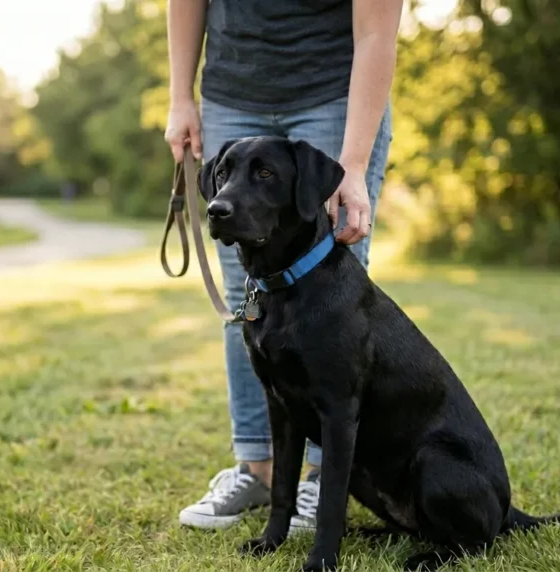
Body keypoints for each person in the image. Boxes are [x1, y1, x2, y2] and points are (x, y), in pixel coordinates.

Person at [165, 0, 403, 534]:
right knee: (244, 299)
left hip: (333, 93)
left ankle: (322, 478)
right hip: (230, 91)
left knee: (333, 292)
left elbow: (376, 31)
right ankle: (257, 468)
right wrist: (181, 95)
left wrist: (355, 164)